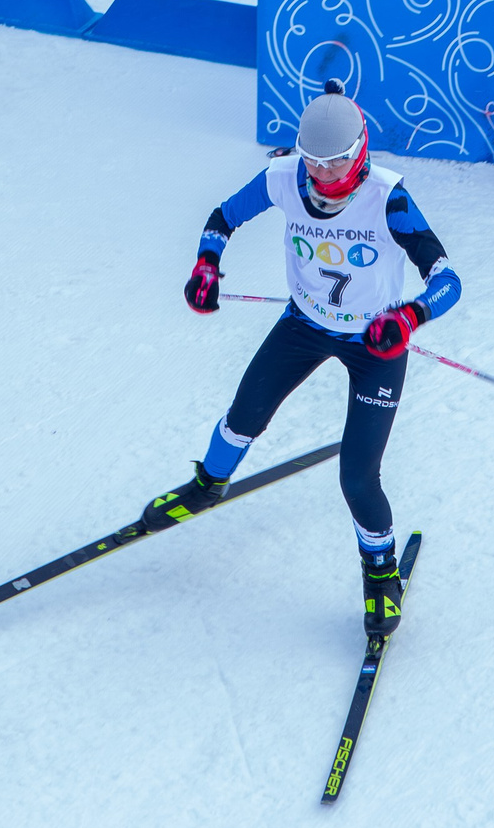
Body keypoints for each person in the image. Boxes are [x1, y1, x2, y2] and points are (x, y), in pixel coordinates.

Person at [165, 83, 464, 637]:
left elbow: (448, 280)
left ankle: (380, 575)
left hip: (377, 346)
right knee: (243, 415)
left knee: (357, 476)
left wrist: (408, 318)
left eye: (338, 162)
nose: (325, 176)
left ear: (361, 151)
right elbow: (221, 218)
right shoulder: (283, 179)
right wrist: (207, 265)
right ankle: (208, 484)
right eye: (315, 163)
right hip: (303, 325)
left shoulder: (387, 197)